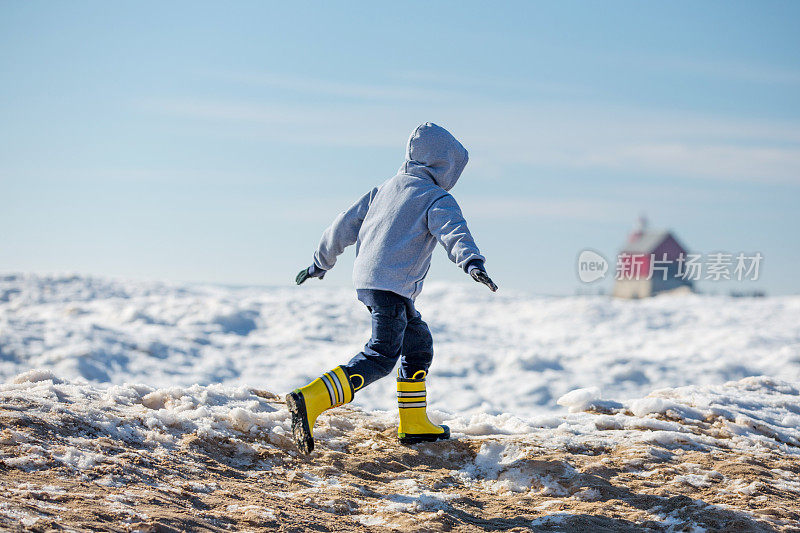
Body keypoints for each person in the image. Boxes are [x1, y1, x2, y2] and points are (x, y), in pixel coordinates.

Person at [287, 122, 497, 454]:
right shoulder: (436, 197)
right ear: (445, 166)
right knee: (382, 355)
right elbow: (453, 231)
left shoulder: (383, 189)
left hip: (370, 282)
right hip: (392, 284)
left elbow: (342, 225)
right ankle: (310, 399)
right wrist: (472, 262)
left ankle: (413, 424)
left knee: (418, 344)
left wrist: (319, 263)